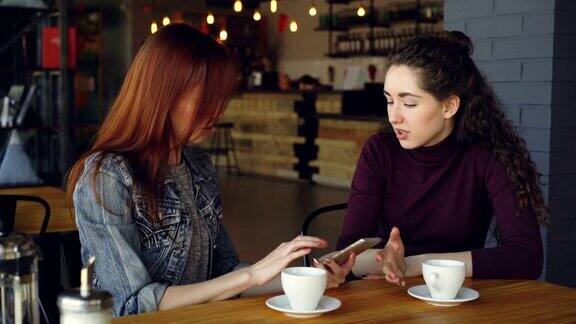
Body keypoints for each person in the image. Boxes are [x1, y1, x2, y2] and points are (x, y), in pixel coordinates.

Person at [66, 23, 349, 317]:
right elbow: (130, 305)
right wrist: (252, 275)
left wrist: (309, 282)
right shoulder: (107, 177)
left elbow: (225, 272)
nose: (217, 110)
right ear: (164, 93)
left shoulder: (198, 166)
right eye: (206, 97)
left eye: (221, 98)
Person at [327, 31, 547, 285]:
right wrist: (384, 258)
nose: (394, 117)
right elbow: (347, 254)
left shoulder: (489, 154)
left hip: (455, 295)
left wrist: (415, 263)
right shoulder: (379, 151)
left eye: (409, 104)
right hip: (387, 291)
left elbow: (527, 257)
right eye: (389, 101)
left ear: (449, 106)